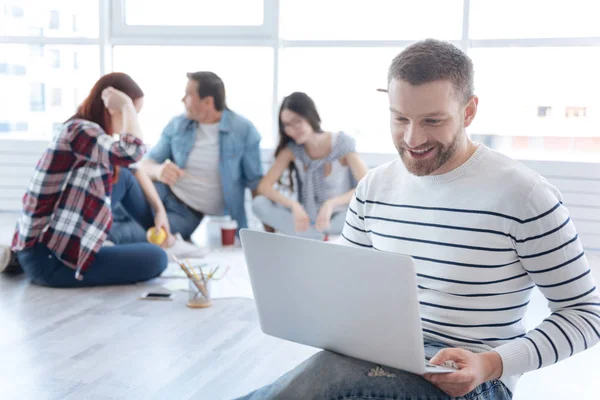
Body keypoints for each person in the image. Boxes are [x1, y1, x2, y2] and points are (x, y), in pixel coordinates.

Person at [238, 39, 600, 399]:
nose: (412, 138)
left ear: (469, 112)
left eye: (432, 120)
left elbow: (585, 314)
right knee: (326, 373)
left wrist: (490, 363)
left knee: (326, 376)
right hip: (380, 362)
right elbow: (346, 294)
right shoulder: (374, 188)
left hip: (474, 383)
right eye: (400, 119)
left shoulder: (526, 196)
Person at [7, 73, 169, 287]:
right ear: (112, 108)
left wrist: (160, 212)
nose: (131, 124)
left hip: (46, 249)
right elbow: (132, 152)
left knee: (125, 178)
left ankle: (168, 238)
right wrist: (127, 106)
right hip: (50, 260)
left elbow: (133, 167)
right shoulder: (79, 131)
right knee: (157, 258)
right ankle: (161, 246)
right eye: (131, 115)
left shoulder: (90, 134)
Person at [112, 71, 264, 243]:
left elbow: (255, 183)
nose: (182, 100)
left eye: (188, 94)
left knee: (129, 234)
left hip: (188, 213)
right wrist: (159, 170)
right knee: (112, 208)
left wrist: (265, 234)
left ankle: (89, 247)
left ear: (208, 101)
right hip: (161, 191)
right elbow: (143, 164)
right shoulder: (178, 125)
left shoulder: (243, 131)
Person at [252, 92, 368, 240]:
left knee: (362, 214)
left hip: (339, 215)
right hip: (307, 217)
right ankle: (317, 235)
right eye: (287, 125)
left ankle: (311, 235)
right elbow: (264, 187)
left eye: (297, 121)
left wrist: (331, 204)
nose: (292, 129)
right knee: (259, 203)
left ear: (310, 116)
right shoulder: (292, 151)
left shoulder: (341, 144)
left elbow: (366, 187)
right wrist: (294, 206)